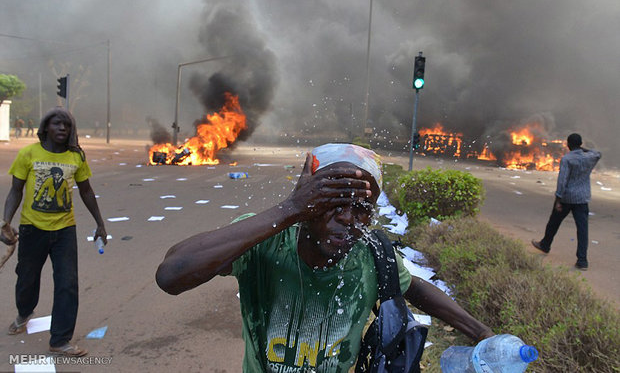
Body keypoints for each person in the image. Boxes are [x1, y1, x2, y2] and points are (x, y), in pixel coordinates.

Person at [156, 143, 494, 372]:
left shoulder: (370, 254)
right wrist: (289, 210)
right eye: (333, 202)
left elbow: (415, 287)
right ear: (307, 201)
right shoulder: (264, 241)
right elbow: (171, 275)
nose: (348, 218)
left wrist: (483, 334)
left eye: (361, 208)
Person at [1, 107, 107, 357]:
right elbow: (16, 190)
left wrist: (100, 223)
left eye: (67, 125)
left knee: (67, 283)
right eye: (57, 124)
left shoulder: (76, 157)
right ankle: (24, 313)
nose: (62, 128)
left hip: (65, 230)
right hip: (32, 228)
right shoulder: (29, 154)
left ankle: (60, 339)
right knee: (27, 278)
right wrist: (5, 221)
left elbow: (86, 191)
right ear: (46, 127)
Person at [532, 133, 601, 271]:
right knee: (582, 229)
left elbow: (562, 180)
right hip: (582, 198)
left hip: (567, 198)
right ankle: (582, 261)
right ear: (580, 144)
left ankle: (545, 244)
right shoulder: (590, 157)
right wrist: (583, 149)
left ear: (568, 145)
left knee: (554, 222)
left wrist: (558, 199)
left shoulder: (567, 159)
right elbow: (597, 153)